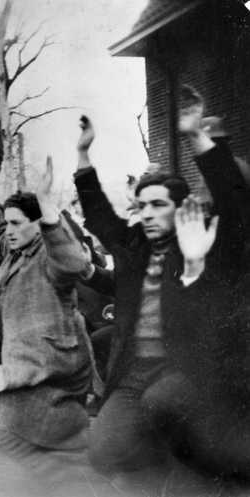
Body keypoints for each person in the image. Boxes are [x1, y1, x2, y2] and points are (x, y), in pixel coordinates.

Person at [74, 106, 247, 481]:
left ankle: (194, 470)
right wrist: (84, 155)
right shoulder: (134, 246)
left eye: (158, 205)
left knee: (163, 405)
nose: (147, 214)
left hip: (188, 371)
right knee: (104, 455)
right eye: (142, 206)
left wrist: (197, 139)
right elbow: (100, 215)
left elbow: (234, 204)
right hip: (136, 373)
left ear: (181, 208)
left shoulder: (202, 243)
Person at [0, 157, 94, 450]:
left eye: (16, 223)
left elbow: (74, 262)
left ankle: (71, 441)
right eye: (8, 222)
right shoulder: (14, 250)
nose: (9, 230)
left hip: (52, 366)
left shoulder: (50, 254)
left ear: (38, 224)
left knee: (13, 441)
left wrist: (48, 207)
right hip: (23, 361)